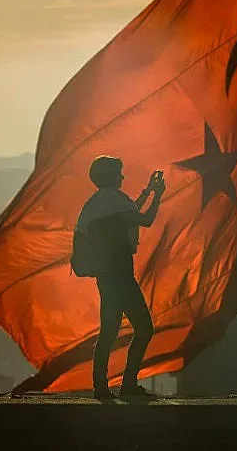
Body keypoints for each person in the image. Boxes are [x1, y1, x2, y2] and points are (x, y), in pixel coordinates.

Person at [75, 156, 165, 399]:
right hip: (121, 274)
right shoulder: (113, 202)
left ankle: (101, 387)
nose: (123, 176)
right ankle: (128, 385)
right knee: (144, 329)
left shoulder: (98, 203)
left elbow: (129, 212)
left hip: (106, 275)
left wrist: (147, 191)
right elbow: (144, 219)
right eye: (120, 172)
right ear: (112, 176)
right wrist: (158, 195)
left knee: (109, 331)